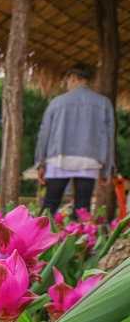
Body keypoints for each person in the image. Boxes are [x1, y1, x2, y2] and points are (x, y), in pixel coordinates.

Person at [35, 63, 115, 219]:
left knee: (49, 205)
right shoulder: (103, 103)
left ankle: (40, 242)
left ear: (72, 78)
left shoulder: (57, 102)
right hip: (89, 160)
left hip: (59, 158)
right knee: (82, 209)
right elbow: (108, 137)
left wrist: (40, 162)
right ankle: (78, 242)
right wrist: (108, 168)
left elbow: (44, 133)